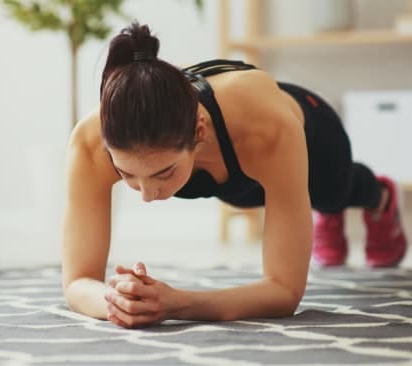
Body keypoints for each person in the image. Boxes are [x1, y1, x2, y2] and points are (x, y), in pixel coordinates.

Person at [61, 22, 408, 328]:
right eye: (127, 175)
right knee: (283, 205)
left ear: (198, 132)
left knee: (333, 193)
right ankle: (312, 213)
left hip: (315, 141)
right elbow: (78, 281)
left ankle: (377, 195)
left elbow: (284, 292)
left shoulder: (267, 129)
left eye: (162, 173)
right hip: (233, 172)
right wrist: (118, 303)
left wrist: (175, 304)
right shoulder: (92, 142)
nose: (147, 194)